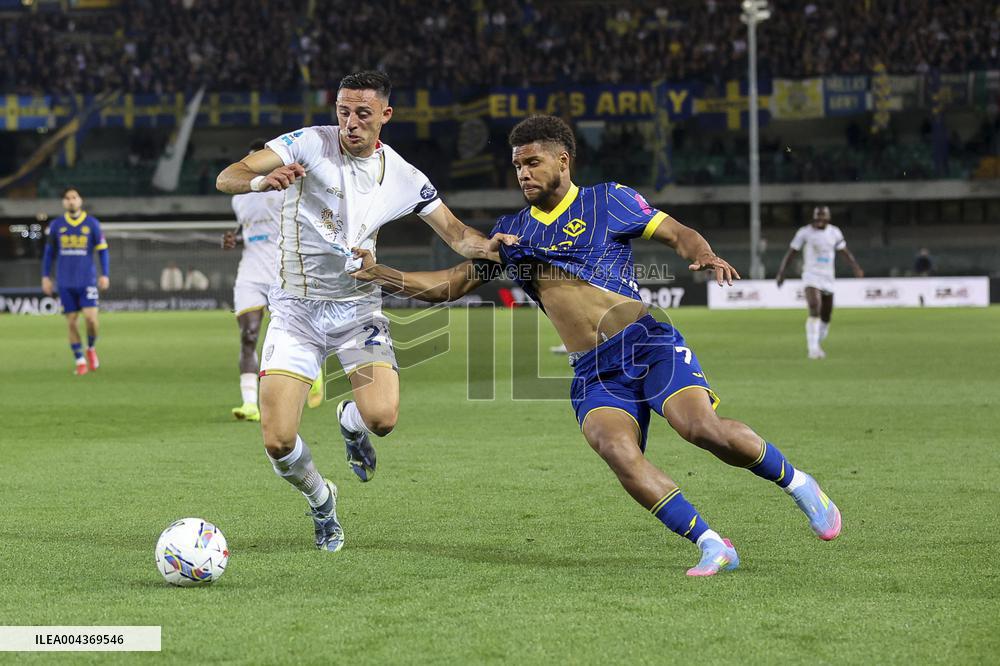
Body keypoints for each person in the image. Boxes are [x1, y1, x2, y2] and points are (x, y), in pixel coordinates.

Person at [349, 115, 842, 577]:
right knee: (615, 448)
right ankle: (712, 543)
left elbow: (677, 233)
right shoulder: (511, 232)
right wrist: (379, 274)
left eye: (532, 161)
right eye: (517, 164)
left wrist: (704, 253)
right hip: (593, 370)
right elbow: (449, 286)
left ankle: (800, 485)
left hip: (646, 344)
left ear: (563, 161)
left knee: (701, 429)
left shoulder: (610, 200)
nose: (522, 172)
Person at [215, 70, 515, 553]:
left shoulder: (403, 176)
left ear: (385, 116)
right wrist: (261, 181)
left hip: (356, 308)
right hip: (295, 310)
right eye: (343, 111)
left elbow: (457, 235)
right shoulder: (309, 143)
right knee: (276, 439)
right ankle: (321, 500)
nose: (350, 123)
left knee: (383, 417)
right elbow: (226, 176)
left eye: (362, 114)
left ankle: (350, 422)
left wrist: (492, 246)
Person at [221, 139, 326, 421]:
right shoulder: (238, 196)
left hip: (283, 270)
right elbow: (250, 229)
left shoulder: (286, 189)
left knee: (298, 332)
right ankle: (249, 405)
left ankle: (313, 373)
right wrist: (235, 238)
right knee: (249, 335)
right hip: (251, 271)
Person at [775, 206, 864, 359]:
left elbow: (844, 251)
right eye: (817, 216)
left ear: (828, 218)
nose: (819, 219)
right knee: (814, 306)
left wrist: (855, 267)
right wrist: (782, 272)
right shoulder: (804, 232)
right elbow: (792, 252)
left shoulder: (834, 232)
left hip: (828, 277)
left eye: (823, 216)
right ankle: (813, 349)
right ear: (813, 217)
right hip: (811, 276)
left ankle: (816, 343)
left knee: (826, 316)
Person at [41, 187, 110, 376]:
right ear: (64, 203)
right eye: (67, 198)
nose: (71, 201)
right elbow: (49, 254)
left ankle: (91, 348)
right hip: (65, 281)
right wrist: (45, 276)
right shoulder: (56, 225)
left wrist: (105, 274)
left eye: (74, 197)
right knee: (71, 323)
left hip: (87, 280)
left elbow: (103, 250)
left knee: (91, 319)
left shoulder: (92, 224)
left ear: (80, 200)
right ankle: (80, 360)